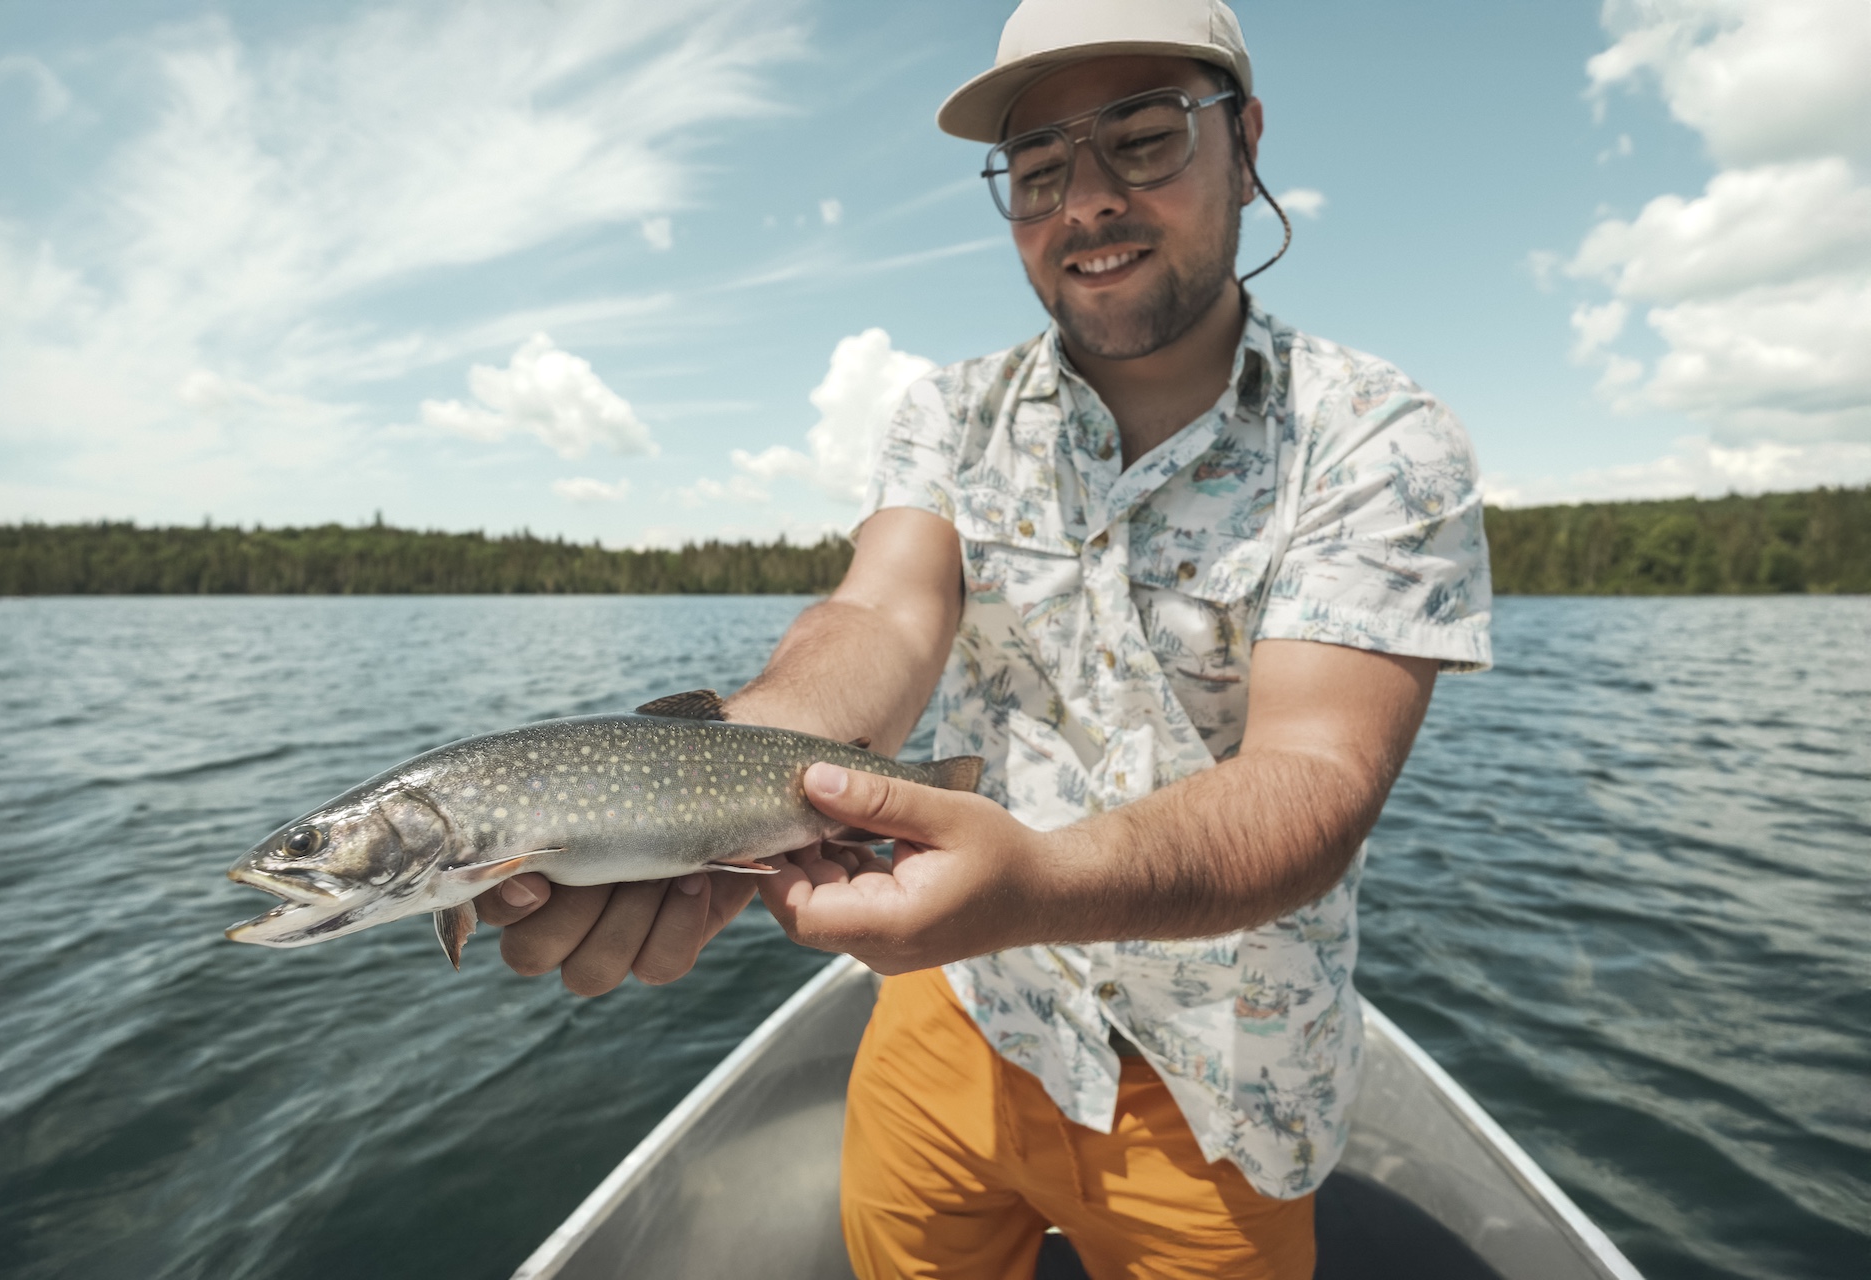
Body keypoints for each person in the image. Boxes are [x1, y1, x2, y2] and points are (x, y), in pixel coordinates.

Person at [479, 0, 1492, 1274]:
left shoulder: (1378, 438)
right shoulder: (951, 414)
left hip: (1221, 1086)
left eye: (1143, 138)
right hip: (952, 1016)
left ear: (1245, 141)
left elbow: (1314, 780)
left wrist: (1039, 883)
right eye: (1039, 168)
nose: (1086, 203)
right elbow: (881, 613)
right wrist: (714, 777)